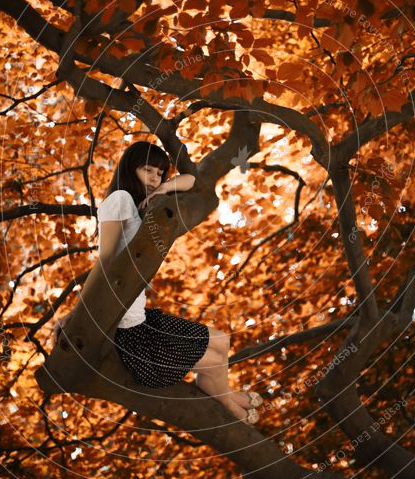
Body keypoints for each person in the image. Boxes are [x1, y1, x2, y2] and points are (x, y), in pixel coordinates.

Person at [52, 140, 261, 423]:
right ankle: (227, 401)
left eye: (160, 174)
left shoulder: (140, 203)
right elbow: (104, 262)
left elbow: (191, 180)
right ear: (130, 169)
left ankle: (218, 391)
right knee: (214, 362)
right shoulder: (120, 200)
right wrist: (76, 315)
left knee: (222, 341)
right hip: (131, 338)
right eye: (148, 171)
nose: (154, 179)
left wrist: (163, 189)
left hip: (143, 320)